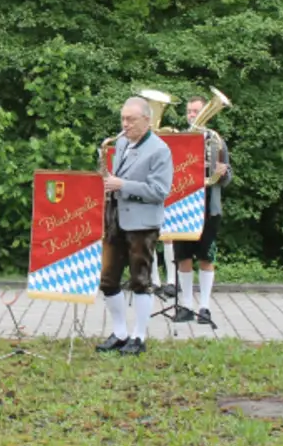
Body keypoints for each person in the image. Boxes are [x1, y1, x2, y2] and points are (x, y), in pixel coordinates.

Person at [96, 96, 174, 356]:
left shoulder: (160, 150)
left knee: (140, 280)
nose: (125, 124)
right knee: (107, 279)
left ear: (147, 120)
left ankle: (139, 336)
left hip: (142, 223)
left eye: (131, 119)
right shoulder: (120, 143)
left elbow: (160, 191)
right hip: (114, 218)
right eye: (123, 119)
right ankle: (120, 332)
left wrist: (123, 185)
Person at [169, 95, 232, 326]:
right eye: (189, 112)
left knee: (207, 256)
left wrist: (222, 172)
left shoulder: (216, 141)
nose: (192, 116)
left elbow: (227, 178)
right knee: (183, 256)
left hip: (208, 206)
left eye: (196, 111)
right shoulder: (178, 140)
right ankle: (186, 305)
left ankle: (204, 307)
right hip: (183, 205)